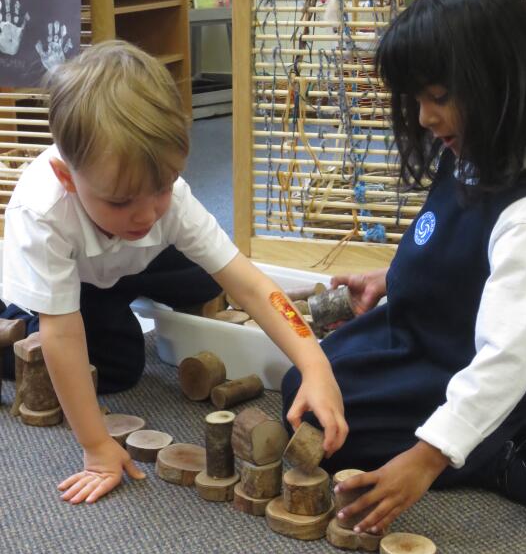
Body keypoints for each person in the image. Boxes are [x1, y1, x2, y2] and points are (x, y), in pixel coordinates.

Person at [282, 0, 526, 533]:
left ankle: (501, 450)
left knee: (340, 435)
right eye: (417, 99)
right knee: (301, 387)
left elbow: (504, 360)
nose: (425, 118)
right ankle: (484, 437)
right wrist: (393, 277)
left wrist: (425, 461)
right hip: (419, 331)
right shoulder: (469, 149)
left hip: (462, 366)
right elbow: (450, 246)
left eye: (439, 98)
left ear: (499, 84)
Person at [0, 40, 347, 504]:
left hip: (127, 261)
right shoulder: (43, 214)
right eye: (122, 200)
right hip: (76, 280)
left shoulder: (167, 203)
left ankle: (120, 258)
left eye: (161, 188)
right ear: (68, 178)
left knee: (209, 276)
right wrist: (97, 446)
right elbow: (63, 334)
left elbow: (249, 284)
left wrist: (315, 366)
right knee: (119, 368)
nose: (146, 213)